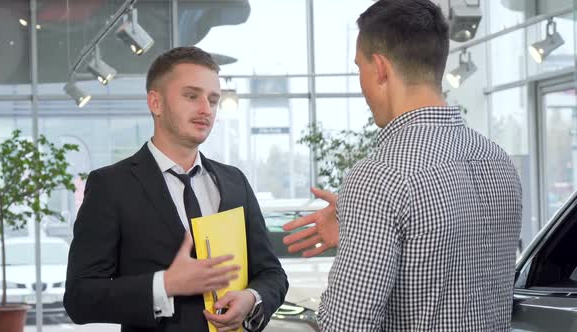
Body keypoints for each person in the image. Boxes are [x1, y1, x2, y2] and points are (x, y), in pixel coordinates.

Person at [283, 0, 522, 331]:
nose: (361, 82)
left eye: (359, 68)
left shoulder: (380, 177)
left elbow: (347, 325)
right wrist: (363, 229)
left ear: (380, 69)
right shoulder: (498, 161)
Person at [64, 46, 288, 332]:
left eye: (213, 99)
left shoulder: (235, 182)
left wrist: (251, 298)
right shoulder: (111, 186)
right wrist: (166, 285)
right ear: (155, 103)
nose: (206, 109)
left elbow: (272, 274)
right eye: (191, 96)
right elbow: (80, 298)